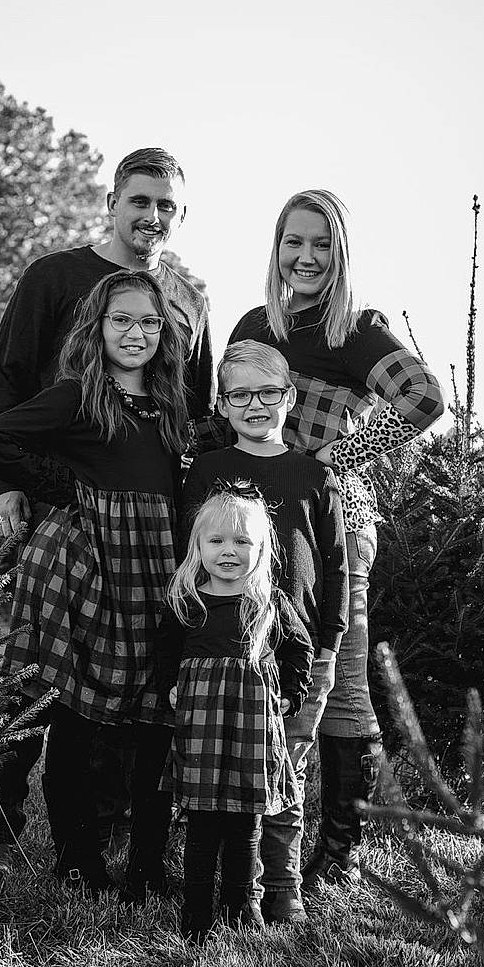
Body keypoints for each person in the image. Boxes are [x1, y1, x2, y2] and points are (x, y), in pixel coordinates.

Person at [0, 147, 214, 875]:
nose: (152, 216)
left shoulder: (188, 299)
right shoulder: (56, 276)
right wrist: (3, 486)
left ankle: (93, 835)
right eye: (140, 200)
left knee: (121, 680)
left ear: (182, 215)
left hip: (146, 525)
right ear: (112, 202)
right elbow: (7, 380)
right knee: (30, 675)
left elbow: (188, 413)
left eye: (167, 205)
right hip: (54, 512)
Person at [226, 190, 445, 887]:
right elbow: (230, 407)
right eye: (295, 242)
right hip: (260, 522)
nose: (307, 257)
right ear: (277, 248)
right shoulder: (258, 322)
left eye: (321, 244)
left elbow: (426, 399)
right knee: (259, 667)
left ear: (340, 251)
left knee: (339, 682)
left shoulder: (359, 329)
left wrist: (336, 458)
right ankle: (248, 828)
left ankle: (339, 851)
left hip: (337, 523)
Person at [181, 340, 348, 923]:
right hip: (223, 659)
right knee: (227, 778)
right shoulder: (207, 472)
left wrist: (328, 646)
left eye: (268, 393)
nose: (255, 405)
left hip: (294, 651)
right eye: (240, 395)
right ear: (223, 406)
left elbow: (336, 566)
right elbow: (192, 555)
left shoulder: (313, 475)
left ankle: (283, 890)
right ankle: (236, 891)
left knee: (286, 772)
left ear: (289, 398)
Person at [157, 483, 314, 943]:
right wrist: (169, 684)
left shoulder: (270, 604)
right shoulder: (187, 603)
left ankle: (242, 908)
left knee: (247, 821)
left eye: (242, 541)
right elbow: (165, 649)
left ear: (261, 549)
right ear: (198, 547)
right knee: (203, 822)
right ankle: (196, 914)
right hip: (202, 723)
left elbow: (300, 650)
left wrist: (292, 693)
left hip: (252, 724)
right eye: (217, 541)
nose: (229, 551)